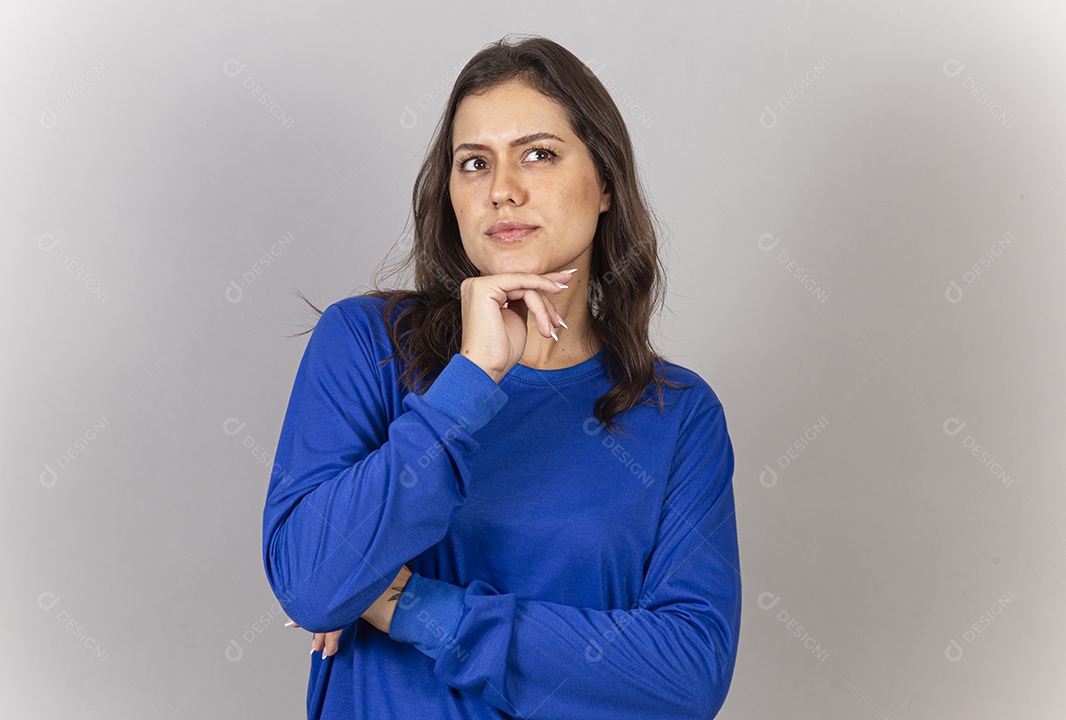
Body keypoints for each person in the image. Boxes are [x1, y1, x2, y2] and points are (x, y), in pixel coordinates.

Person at [262, 33, 741, 720]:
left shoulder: (676, 413)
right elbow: (312, 586)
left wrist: (406, 605)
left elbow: (686, 678)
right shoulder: (366, 346)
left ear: (605, 183)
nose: (502, 191)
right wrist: (470, 381)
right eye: (474, 163)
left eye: (539, 155)